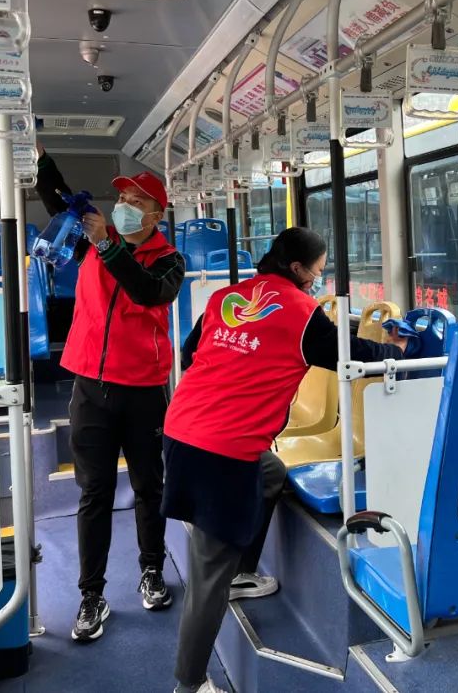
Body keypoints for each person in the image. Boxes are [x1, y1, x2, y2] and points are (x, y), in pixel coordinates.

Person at [161, 227, 406, 693]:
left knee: (271, 470)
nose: (318, 279)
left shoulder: (228, 297)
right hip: (222, 450)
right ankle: (189, 684)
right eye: (317, 271)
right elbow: (349, 353)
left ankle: (241, 571)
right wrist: (395, 351)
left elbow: (191, 352)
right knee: (208, 576)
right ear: (297, 268)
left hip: (181, 429)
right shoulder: (300, 311)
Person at [34, 145, 185, 642]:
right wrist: (42, 160)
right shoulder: (96, 241)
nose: (125, 206)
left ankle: (152, 571)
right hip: (91, 388)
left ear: (156, 215)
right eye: (122, 198)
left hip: (144, 390)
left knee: (149, 487)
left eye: (137, 201)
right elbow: (59, 203)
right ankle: (91, 595)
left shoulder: (169, 260)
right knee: (94, 493)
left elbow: (147, 292)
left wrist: (106, 246)